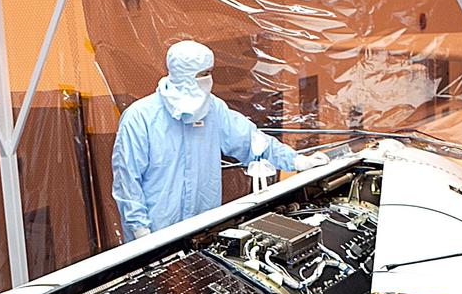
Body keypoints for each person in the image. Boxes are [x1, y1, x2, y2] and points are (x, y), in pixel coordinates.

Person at [112, 40, 328, 241]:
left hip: (202, 229)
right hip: (156, 232)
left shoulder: (213, 109)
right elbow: (127, 181)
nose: (209, 80)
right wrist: (140, 231)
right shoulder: (141, 118)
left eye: (209, 73)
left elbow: (253, 142)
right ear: (184, 76)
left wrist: (296, 161)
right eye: (203, 74)